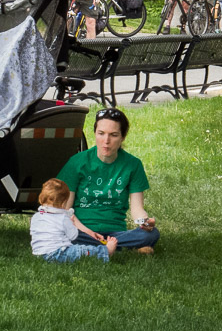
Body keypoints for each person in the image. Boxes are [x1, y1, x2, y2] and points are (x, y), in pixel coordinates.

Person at [59, 108, 159, 253]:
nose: (106, 141)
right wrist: (87, 232)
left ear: (122, 137)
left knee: (151, 234)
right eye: (101, 134)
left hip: (115, 233)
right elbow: (66, 211)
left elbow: (137, 209)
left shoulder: (133, 164)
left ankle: (101, 247)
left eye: (113, 135)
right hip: (81, 229)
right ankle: (115, 248)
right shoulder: (76, 162)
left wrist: (144, 222)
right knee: (62, 230)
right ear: (95, 133)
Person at [30, 178, 117, 263]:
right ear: (64, 202)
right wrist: (72, 224)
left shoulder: (36, 216)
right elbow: (73, 236)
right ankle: (106, 251)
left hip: (39, 254)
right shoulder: (63, 218)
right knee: (81, 250)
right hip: (58, 253)